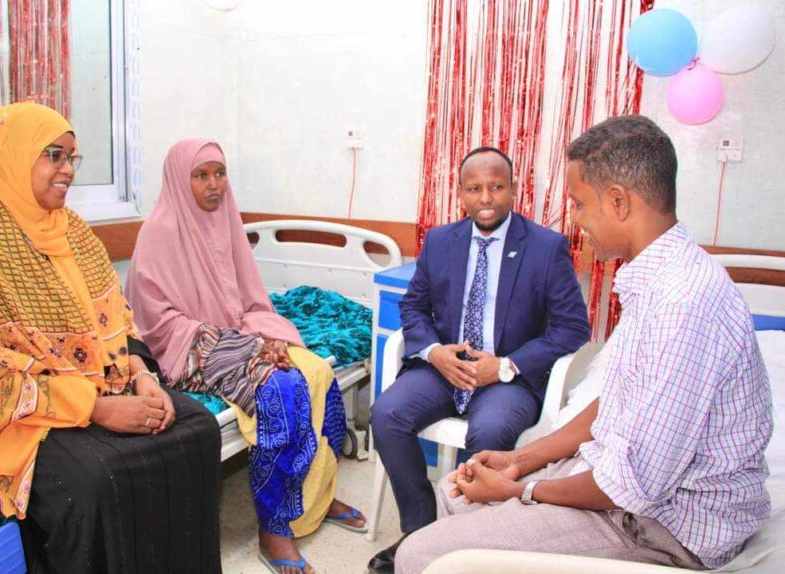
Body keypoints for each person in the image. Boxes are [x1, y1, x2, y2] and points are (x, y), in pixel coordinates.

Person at [395, 115, 774, 573]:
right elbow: (616, 402)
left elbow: (632, 487)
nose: (576, 219)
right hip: (619, 481)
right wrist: (521, 458)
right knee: (454, 494)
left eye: (579, 203)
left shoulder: (682, 305)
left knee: (419, 554)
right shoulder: (655, 282)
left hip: (662, 525)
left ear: (617, 201)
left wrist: (521, 490)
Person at [0, 103, 223, 574]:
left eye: (71, 157)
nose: (67, 170)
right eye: (53, 155)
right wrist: (96, 409)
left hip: (107, 383)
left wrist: (144, 378)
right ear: (11, 156)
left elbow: (120, 321)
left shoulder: (75, 232)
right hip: (21, 417)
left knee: (198, 429)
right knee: (96, 479)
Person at [124, 138, 366, 574]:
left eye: (220, 173)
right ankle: (273, 528)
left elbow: (248, 299)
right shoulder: (160, 230)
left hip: (234, 330)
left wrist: (266, 336)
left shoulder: (226, 220)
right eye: (201, 175)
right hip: (184, 343)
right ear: (179, 179)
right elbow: (155, 321)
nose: (214, 185)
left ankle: (317, 495)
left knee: (318, 372)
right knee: (281, 388)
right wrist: (249, 346)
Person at [368, 146, 591, 572]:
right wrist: (435, 352)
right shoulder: (440, 241)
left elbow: (572, 327)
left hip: (508, 377)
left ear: (514, 189)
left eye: (496, 187)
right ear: (461, 193)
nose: (485, 198)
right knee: (386, 414)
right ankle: (420, 533)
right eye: (474, 189)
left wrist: (506, 365)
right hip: (444, 369)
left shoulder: (546, 247)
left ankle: (466, 542)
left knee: (489, 432)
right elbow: (413, 307)